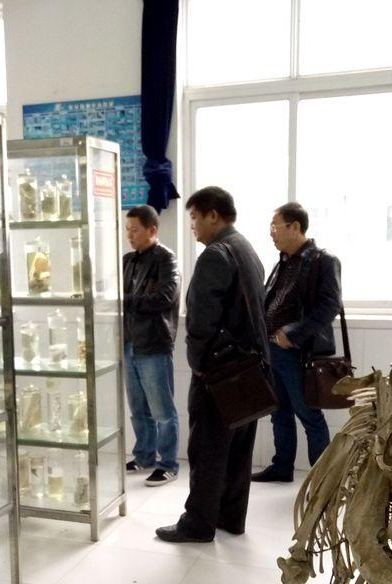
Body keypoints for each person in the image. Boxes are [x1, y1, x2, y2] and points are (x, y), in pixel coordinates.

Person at [156, 186, 268, 543]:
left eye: (194, 218)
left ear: (213, 216)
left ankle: (198, 524)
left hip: (220, 373)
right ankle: (230, 517)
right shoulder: (246, 249)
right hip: (249, 370)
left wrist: (199, 366)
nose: (193, 226)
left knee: (207, 449)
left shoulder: (215, 255)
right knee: (237, 450)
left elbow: (202, 322)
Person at [250, 202, 341, 483]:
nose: (271, 233)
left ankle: (322, 479)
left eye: (275, 227)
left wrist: (294, 333)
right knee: (278, 413)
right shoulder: (283, 262)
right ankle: (282, 467)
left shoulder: (322, 261)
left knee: (309, 414)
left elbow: (330, 306)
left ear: (295, 227)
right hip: (272, 350)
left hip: (299, 352)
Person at [122, 204, 181, 486]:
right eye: (127, 230)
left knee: (163, 412)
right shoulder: (128, 261)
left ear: (152, 230)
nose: (129, 235)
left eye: (134, 230)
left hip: (154, 343)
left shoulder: (166, 259)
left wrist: (125, 301)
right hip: (129, 343)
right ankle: (144, 455)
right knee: (138, 408)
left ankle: (168, 464)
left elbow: (164, 298)